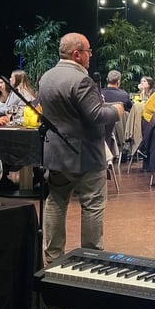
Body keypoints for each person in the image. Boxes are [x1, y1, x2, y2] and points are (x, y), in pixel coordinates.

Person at [37, 32, 123, 265]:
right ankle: (91, 258)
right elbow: (96, 115)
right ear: (77, 54)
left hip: (55, 154)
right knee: (92, 205)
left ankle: (53, 256)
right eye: (88, 51)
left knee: (56, 201)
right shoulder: (81, 80)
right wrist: (116, 110)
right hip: (84, 155)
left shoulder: (46, 77)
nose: (90, 55)